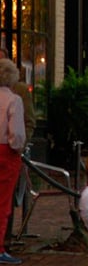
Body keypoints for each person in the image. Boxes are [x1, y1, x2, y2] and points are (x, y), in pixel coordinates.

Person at [0, 59, 25, 265]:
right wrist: (17, 146)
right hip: (5, 153)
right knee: (3, 202)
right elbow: (16, 133)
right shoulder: (14, 100)